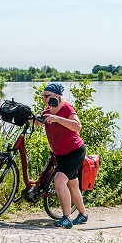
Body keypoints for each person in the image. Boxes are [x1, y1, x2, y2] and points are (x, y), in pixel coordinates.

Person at [39, 83, 87, 229]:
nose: (44, 99)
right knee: (72, 184)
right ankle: (83, 215)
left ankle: (67, 218)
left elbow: (77, 126)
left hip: (75, 152)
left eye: (47, 96)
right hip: (60, 154)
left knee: (59, 180)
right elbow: (37, 122)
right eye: (43, 96)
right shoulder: (47, 110)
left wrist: (57, 119)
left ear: (57, 96)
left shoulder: (66, 108)